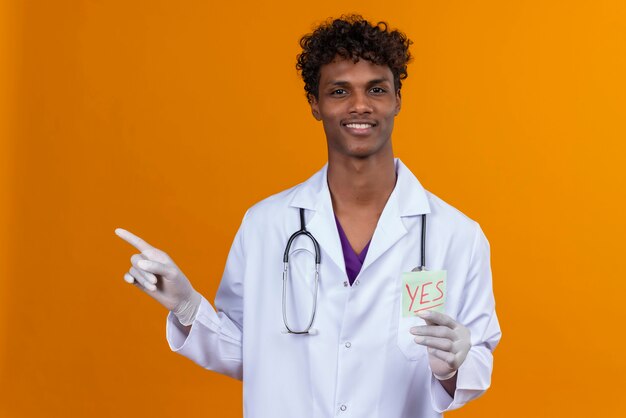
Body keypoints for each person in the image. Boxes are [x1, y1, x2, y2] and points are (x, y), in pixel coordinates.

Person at [116, 15, 501, 417]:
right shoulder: (266, 226)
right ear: (315, 104)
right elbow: (250, 355)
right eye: (339, 91)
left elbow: (479, 359)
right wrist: (186, 305)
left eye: (376, 89)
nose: (360, 106)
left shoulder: (457, 235)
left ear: (397, 100)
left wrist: (452, 369)